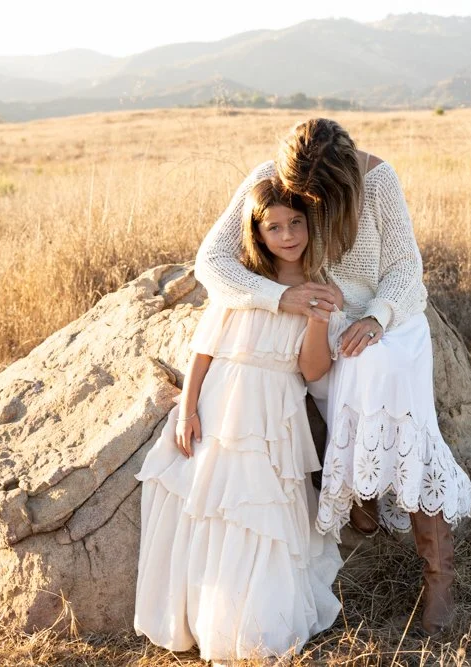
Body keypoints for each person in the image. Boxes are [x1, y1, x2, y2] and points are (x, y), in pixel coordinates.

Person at [194, 118, 471, 636]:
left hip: (391, 320)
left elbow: (405, 271)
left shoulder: (380, 180)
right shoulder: (271, 178)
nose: (315, 206)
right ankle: (362, 492)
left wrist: (378, 318)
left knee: (384, 370)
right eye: (308, 197)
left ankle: (438, 575)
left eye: (326, 194)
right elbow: (209, 261)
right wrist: (281, 297)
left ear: (346, 175)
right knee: (360, 370)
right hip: (328, 323)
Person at [134, 177, 346, 663]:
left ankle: (256, 626)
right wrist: (187, 410)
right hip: (224, 402)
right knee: (217, 506)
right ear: (258, 232)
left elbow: (312, 370)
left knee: (265, 512)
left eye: (295, 223)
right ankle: (211, 616)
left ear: (310, 225)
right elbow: (203, 351)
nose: (287, 235)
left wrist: (318, 319)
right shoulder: (243, 281)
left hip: (276, 408)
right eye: (274, 227)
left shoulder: (322, 287)